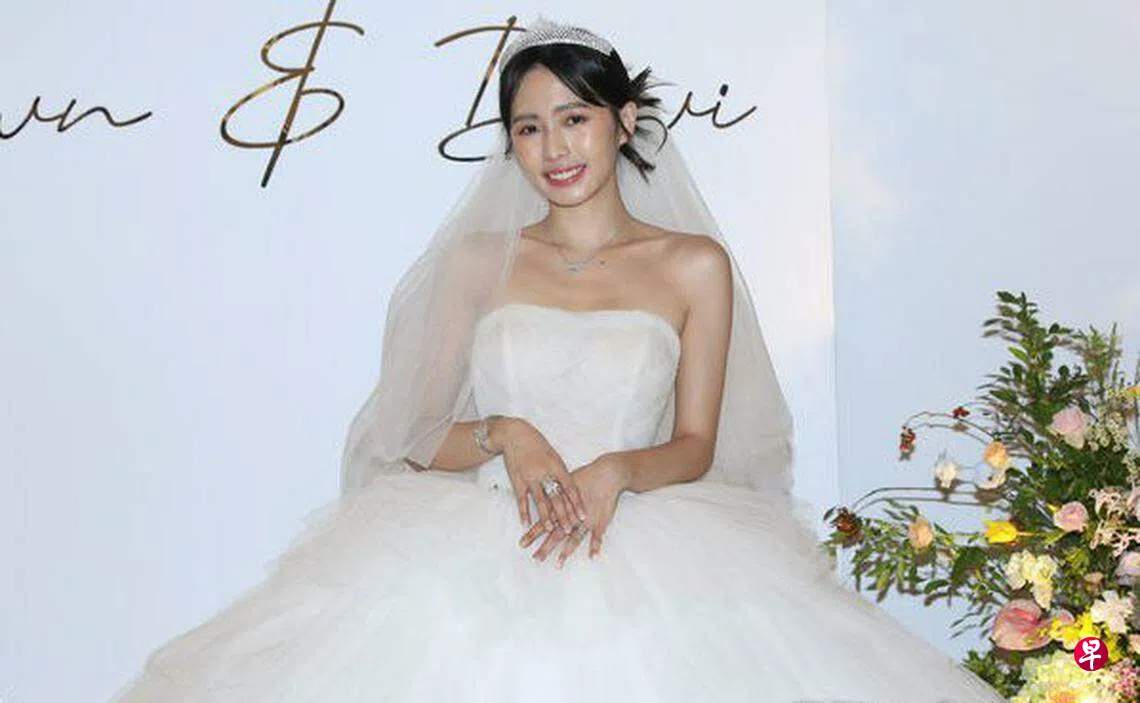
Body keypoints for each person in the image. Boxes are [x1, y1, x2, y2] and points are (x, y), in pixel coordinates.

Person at [110, 18, 1007, 703]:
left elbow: (696, 443)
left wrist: (617, 468)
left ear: (623, 121)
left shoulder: (694, 265)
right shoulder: (476, 262)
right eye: (530, 128)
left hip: (647, 540)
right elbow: (413, 433)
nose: (555, 148)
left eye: (574, 118)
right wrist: (505, 432)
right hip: (469, 542)